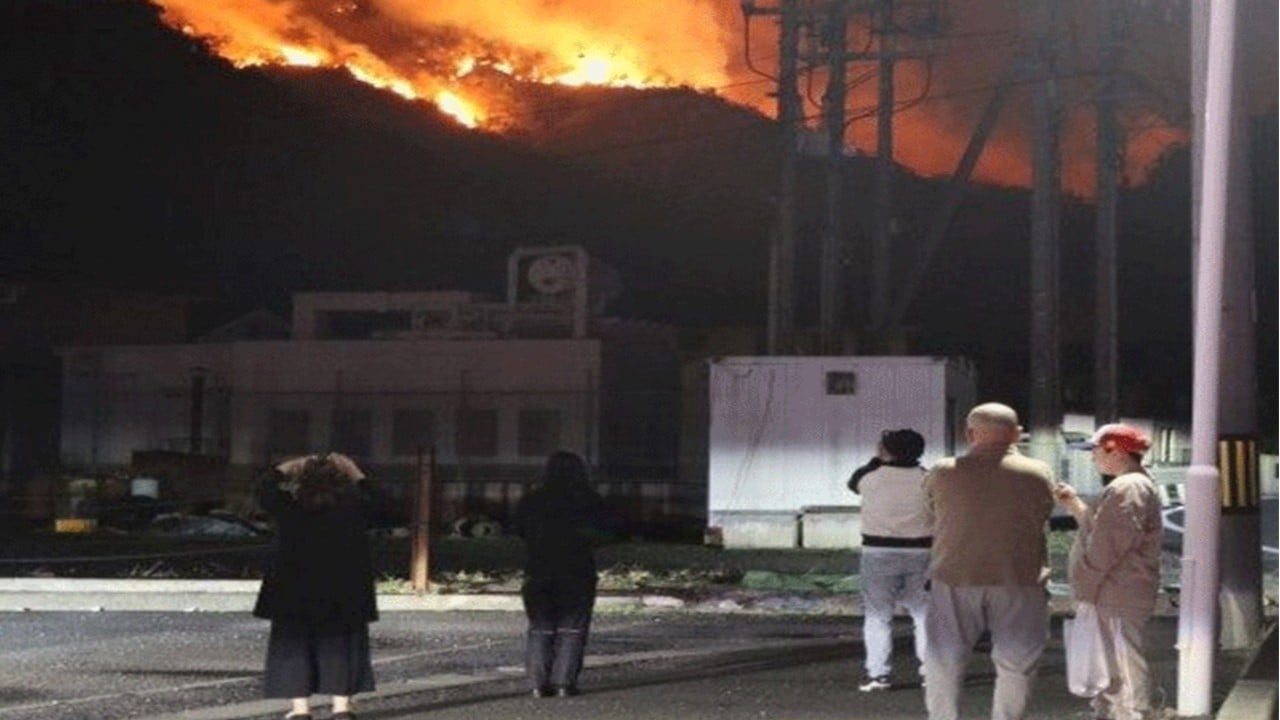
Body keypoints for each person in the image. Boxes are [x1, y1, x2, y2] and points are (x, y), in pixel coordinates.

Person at [922, 402, 1056, 720]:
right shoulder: (1038, 473)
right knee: (1017, 663)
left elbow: (930, 513)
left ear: (970, 433)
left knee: (945, 659)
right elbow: (1044, 513)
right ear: (1016, 434)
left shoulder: (943, 471)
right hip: (1020, 578)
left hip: (954, 575)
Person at [254, 453, 380, 720]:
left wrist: (285, 468)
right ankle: (341, 708)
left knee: (295, 645)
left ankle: (300, 710)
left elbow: (263, 489)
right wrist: (356, 472)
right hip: (343, 588)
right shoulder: (353, 506)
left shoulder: (288, 506)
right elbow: (384, 505)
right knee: (341, 644)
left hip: (294, 587)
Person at [1055, 424, 1163, 720]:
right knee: (1111, 664)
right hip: (1115, 590)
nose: (1092, 457)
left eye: (1095, 450)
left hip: (1115, 590)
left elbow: (1108, 544)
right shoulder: (1131, 484)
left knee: (1121, 665)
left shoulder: (1128, 487)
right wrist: (1073, 503)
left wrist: (1084, 586)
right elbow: (1101, 529)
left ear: (1115, 448)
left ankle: (1132, 715)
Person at [513, 451, 612, 698]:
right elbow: (605, 535)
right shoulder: (589, 500)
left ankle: (537, 683)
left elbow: (518, 529)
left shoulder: (533, 500)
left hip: (539, 568)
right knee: (572, 628)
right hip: (577, 569)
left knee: (540, 627)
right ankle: (563, 683)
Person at [847, 428, 932, 691]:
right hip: (922, 552)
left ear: (886, 450)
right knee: (924, 615)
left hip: (878, 552)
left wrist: (878, 460)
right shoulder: (928, 479)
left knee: (878, 615)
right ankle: (931, 673)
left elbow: (853, 483)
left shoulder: (870, 477)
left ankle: (879, 675)